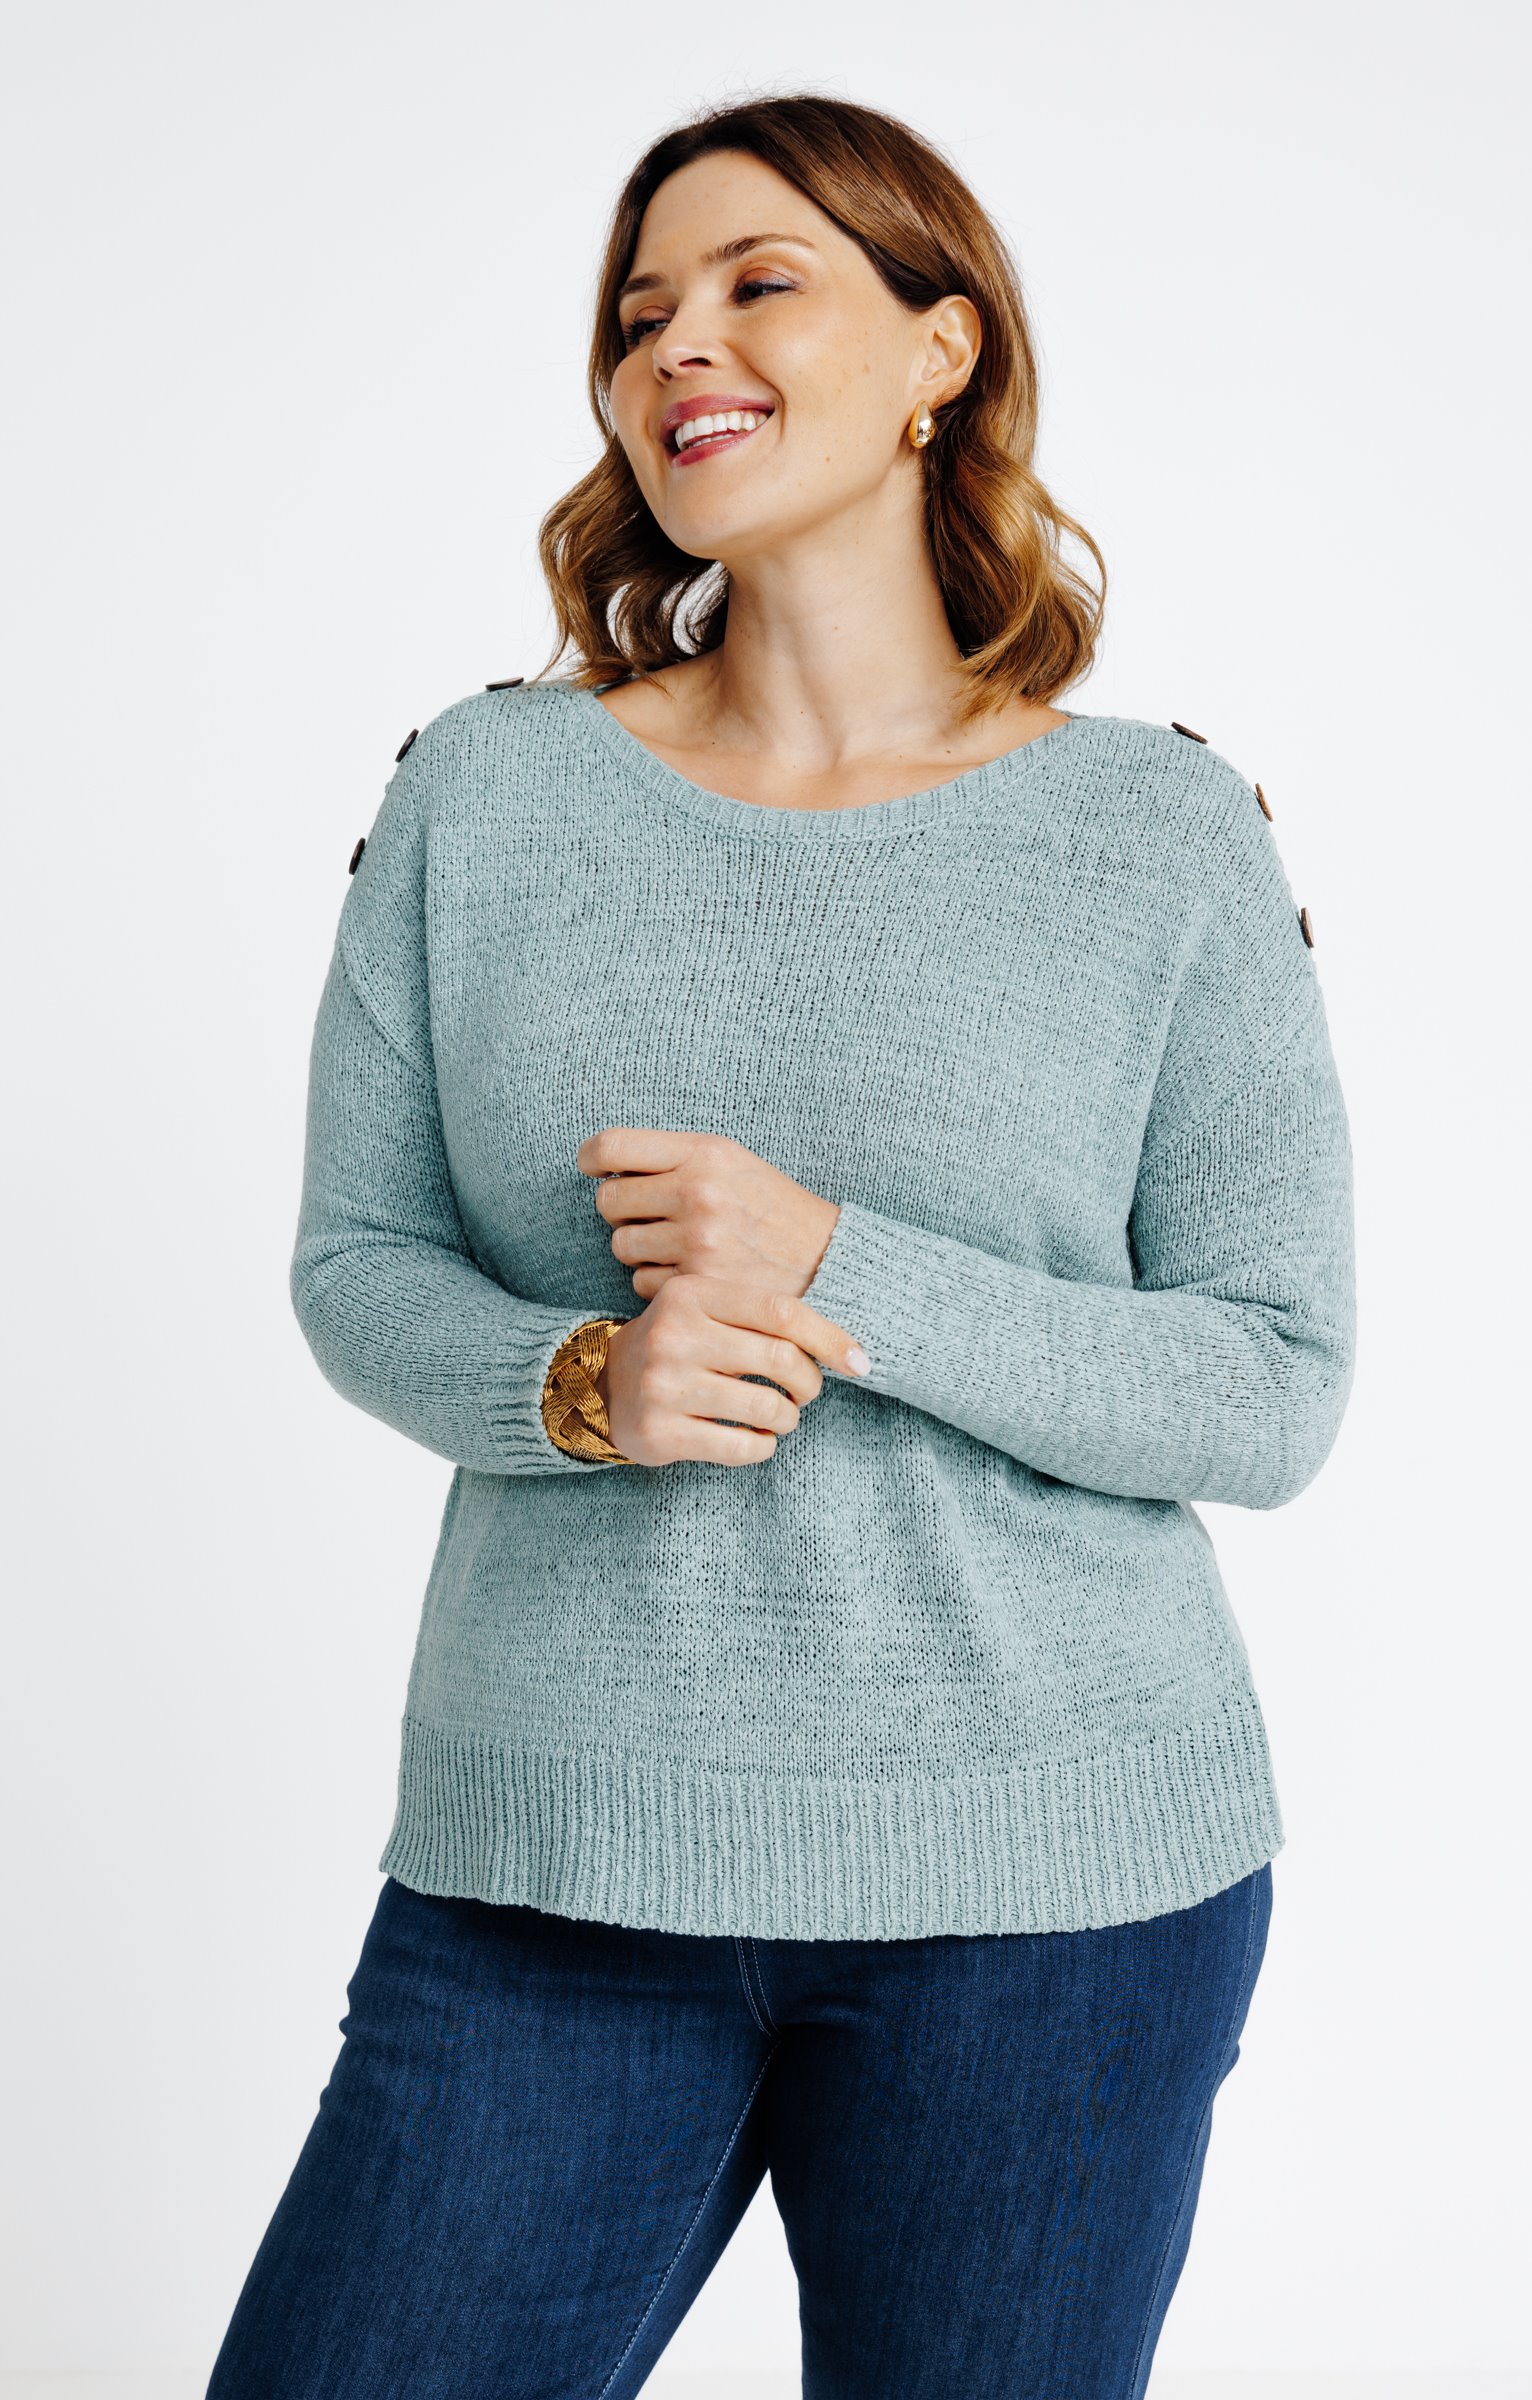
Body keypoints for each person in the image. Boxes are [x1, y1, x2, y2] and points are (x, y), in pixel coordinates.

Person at [206, 91, 1356, 2400]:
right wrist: (579, 1385)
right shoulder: (484, 795)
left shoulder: (1156, 836)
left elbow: (1266, 1384)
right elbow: (359, 1263)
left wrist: (840, 1265)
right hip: (556, 1869)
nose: (677, 348)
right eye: (638, 311)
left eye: (758, 284)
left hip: (1059, 1897)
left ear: (942, 350)